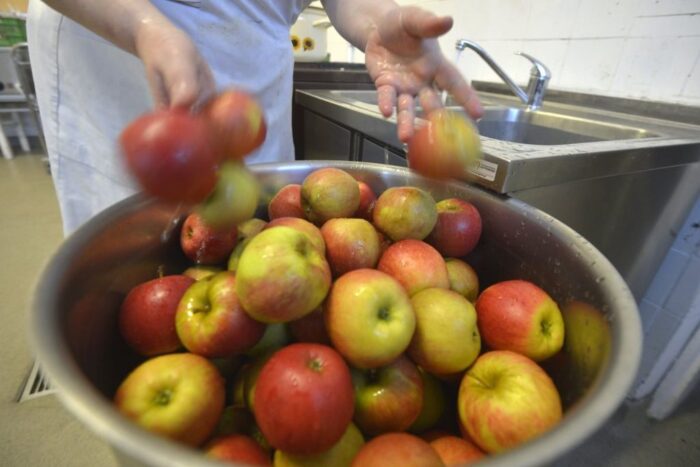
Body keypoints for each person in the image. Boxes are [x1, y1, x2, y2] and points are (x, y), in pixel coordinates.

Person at [27, 0, 483, 235]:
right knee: (132, 248)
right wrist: (144, 29)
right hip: (116, 38)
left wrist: (378, 20)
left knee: (257, 225)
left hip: (255, 60)